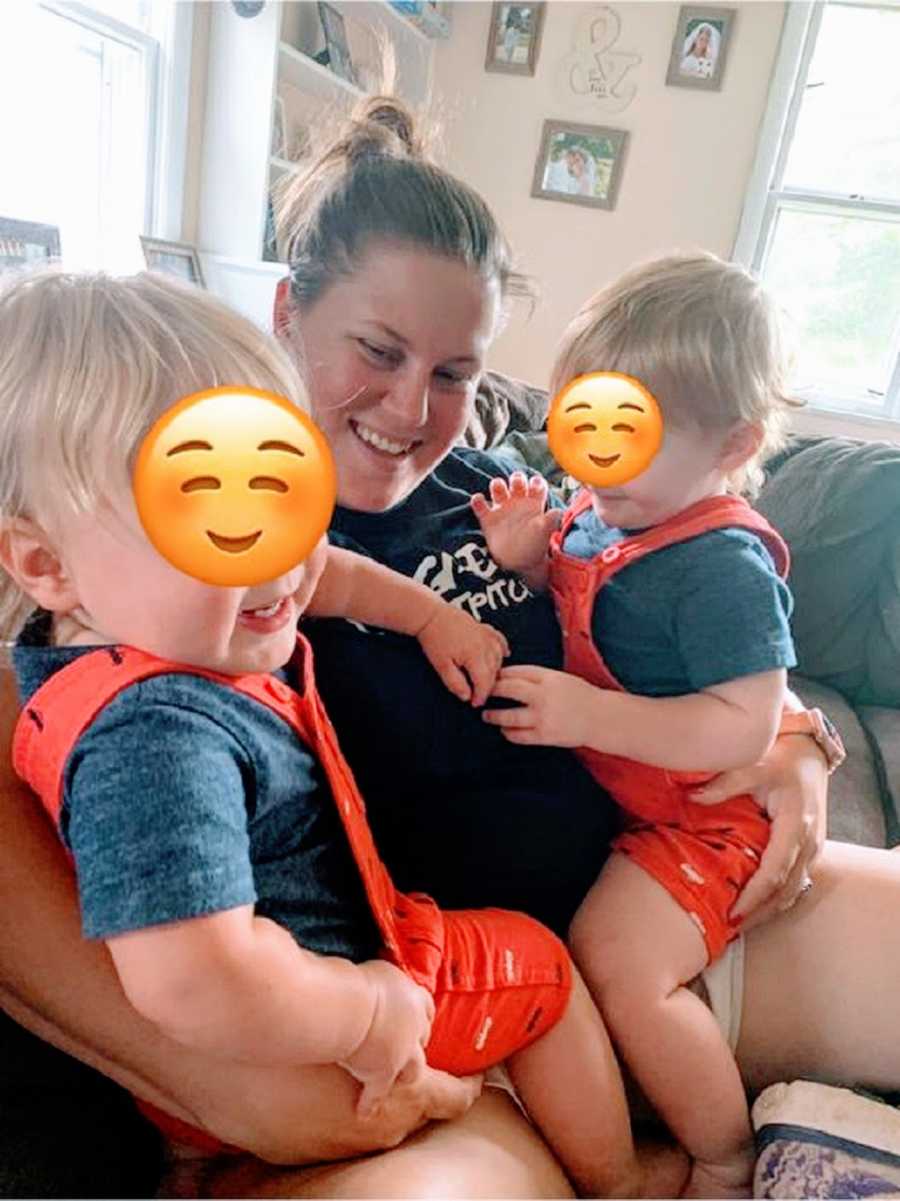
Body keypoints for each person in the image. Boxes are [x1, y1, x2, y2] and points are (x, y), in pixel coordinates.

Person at [0, 95, 894, 1199]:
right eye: (377, 352)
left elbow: (675, 614)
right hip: (458, 1037)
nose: (414, 409)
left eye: (458, 373)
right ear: (288, 315)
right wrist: (258, 1080)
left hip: (668, 910)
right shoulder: (171, 573)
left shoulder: (506, 498)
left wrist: (798, 739)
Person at [0, 268, 663, 1199]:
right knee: (541, 970)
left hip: (242, 1062)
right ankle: (628, 1183)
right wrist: (360, 1013)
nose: (278, 556)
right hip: (316, 1027)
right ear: (44, 562)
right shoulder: (155, 734)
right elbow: (191, 981)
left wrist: (430, 616)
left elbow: (333, 573)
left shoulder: (127, 639)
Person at [473, 253, 811, 1196]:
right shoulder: (601, 510)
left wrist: (592, 714)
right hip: (639, 806)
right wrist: (530, 562)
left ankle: (723, 1153)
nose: (595, 459)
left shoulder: (722, 565)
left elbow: (747, 724)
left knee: (618, 963)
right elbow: (587, 611)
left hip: (705, 816)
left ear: (733, 444)